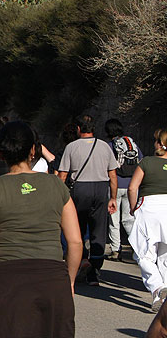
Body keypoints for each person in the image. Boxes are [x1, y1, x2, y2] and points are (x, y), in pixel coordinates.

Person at [0, 121, 82, 338]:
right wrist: (70, 281)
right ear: (32, 150)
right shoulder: (56, 185)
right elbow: (75, 242)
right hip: (54, 279)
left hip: (7, 282)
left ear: (0, 153)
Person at [58, 114, 118, 286]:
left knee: (77, 229)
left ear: (78, 129)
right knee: (98, 230)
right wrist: (112, 198)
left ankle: (82, 261)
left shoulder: (71, 147)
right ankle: (95, 271)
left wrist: (60, 198)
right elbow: (112, 175)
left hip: (79, 190)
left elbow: (62, 175)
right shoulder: (105, 147)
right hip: (100, 189)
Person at [127, 128, 167, 312]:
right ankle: (160, 296)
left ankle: (157, 287)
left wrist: (134, 208)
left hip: (149, 209)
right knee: (165, 256)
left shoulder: (147, 162)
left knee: (143, 253)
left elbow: (132, 188)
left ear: (160, 143)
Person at [105, 118, 142, 261]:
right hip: (131, 185)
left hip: (114, 186)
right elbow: (141, 161)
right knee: (129, 219)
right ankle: (137, 248)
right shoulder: (131, 143)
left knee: (114, 220)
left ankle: (116, 251)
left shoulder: (109, 146)